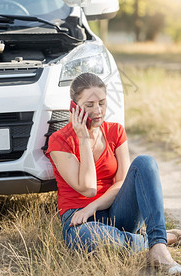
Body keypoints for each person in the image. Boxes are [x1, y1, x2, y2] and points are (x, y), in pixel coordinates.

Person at [46, 73, 181, 274]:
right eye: (89, 105)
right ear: (74, 107)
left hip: (116, 211)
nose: (98, 111)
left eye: (102, 102)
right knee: (97, 240)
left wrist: (92, 207)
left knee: (145, 162)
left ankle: (159, 249)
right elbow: (89, 188)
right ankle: (157, 239)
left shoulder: (116, 131)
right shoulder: (59, 141)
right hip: (80, 220)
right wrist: (84, 138)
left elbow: (121, 183)